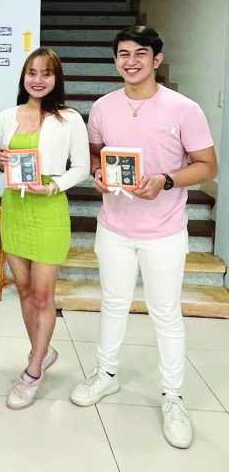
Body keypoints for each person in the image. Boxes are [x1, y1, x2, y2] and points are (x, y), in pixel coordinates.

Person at [69, 26, 217, 449]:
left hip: (164, 231)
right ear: (115, 60)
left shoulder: (184, 108)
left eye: (139, 53)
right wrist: (98, 172)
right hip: (114, 227)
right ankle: (106, 374)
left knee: (165, 313)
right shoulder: (103, 107)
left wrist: (166, 180)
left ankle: (173, 397)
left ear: (156, 60)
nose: (130, 61)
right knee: (113, 303)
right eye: (123, 54)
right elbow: (95, 152)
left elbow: (207, 165)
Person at [0, 48, 89, 409]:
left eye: (46, 73)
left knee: (43, 296)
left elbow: (81, 167)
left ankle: (33, 370)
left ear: (56, 79)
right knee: (23, 289)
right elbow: (3, 161)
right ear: (23, 77)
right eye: (31, 73)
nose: (38, 80)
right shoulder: (7, 116)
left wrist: (52, 187)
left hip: (48, 206)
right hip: (16, 207)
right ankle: (42, 351)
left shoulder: (69, 119)